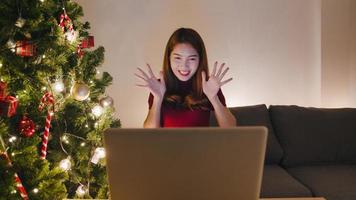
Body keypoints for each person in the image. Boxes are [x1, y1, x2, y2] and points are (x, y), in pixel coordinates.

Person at [135, 28, 236, 128]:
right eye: (178, 58)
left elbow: (231, 128)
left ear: (200, 60)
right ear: (168, 58)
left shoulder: (209, 85)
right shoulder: (158, 86)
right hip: (167, 145)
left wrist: (214, 98)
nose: (184, 66)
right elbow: (150, 134)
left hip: (201, 144)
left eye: (192, 58)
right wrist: (157, 99)